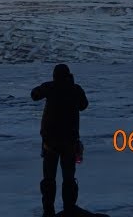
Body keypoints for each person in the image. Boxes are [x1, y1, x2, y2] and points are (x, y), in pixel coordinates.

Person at [31, 63, 89, 216]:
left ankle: (48, 211)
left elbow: (34, 95)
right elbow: (84, 105)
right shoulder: (75, 89)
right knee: (68, 178)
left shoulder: (50, 87)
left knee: (49, 179)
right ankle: (69, 209)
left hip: (50, 142)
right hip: (69, 142)